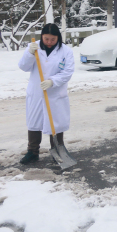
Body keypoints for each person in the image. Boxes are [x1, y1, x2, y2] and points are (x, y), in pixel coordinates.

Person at [17, 24, 75, 165]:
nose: (49, 42)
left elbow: (67, 72)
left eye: (52, 39)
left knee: (56, 122)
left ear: (58, 38)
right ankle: (32, 152)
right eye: (46, 39)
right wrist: (29, 54)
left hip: (55, 92)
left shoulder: (66, 51)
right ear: (41, 37)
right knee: (34, 122)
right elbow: (23, 67)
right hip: (37, 92)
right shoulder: (34, 47)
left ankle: (57, 150)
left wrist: (52, 81)